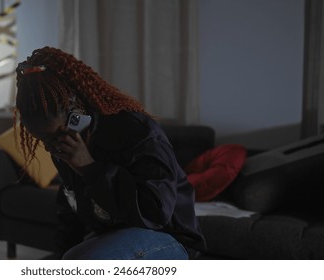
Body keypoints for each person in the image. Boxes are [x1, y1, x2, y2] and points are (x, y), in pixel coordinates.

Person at [14, 46, 206, 260]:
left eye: (53, 137)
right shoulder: (66, 142)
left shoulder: (136, 131)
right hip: (114, 237)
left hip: (169, 238)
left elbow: (155, 213)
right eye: (43, 140)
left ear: (75, 112)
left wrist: (90, 168)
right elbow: (70, 214)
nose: (50, 148)